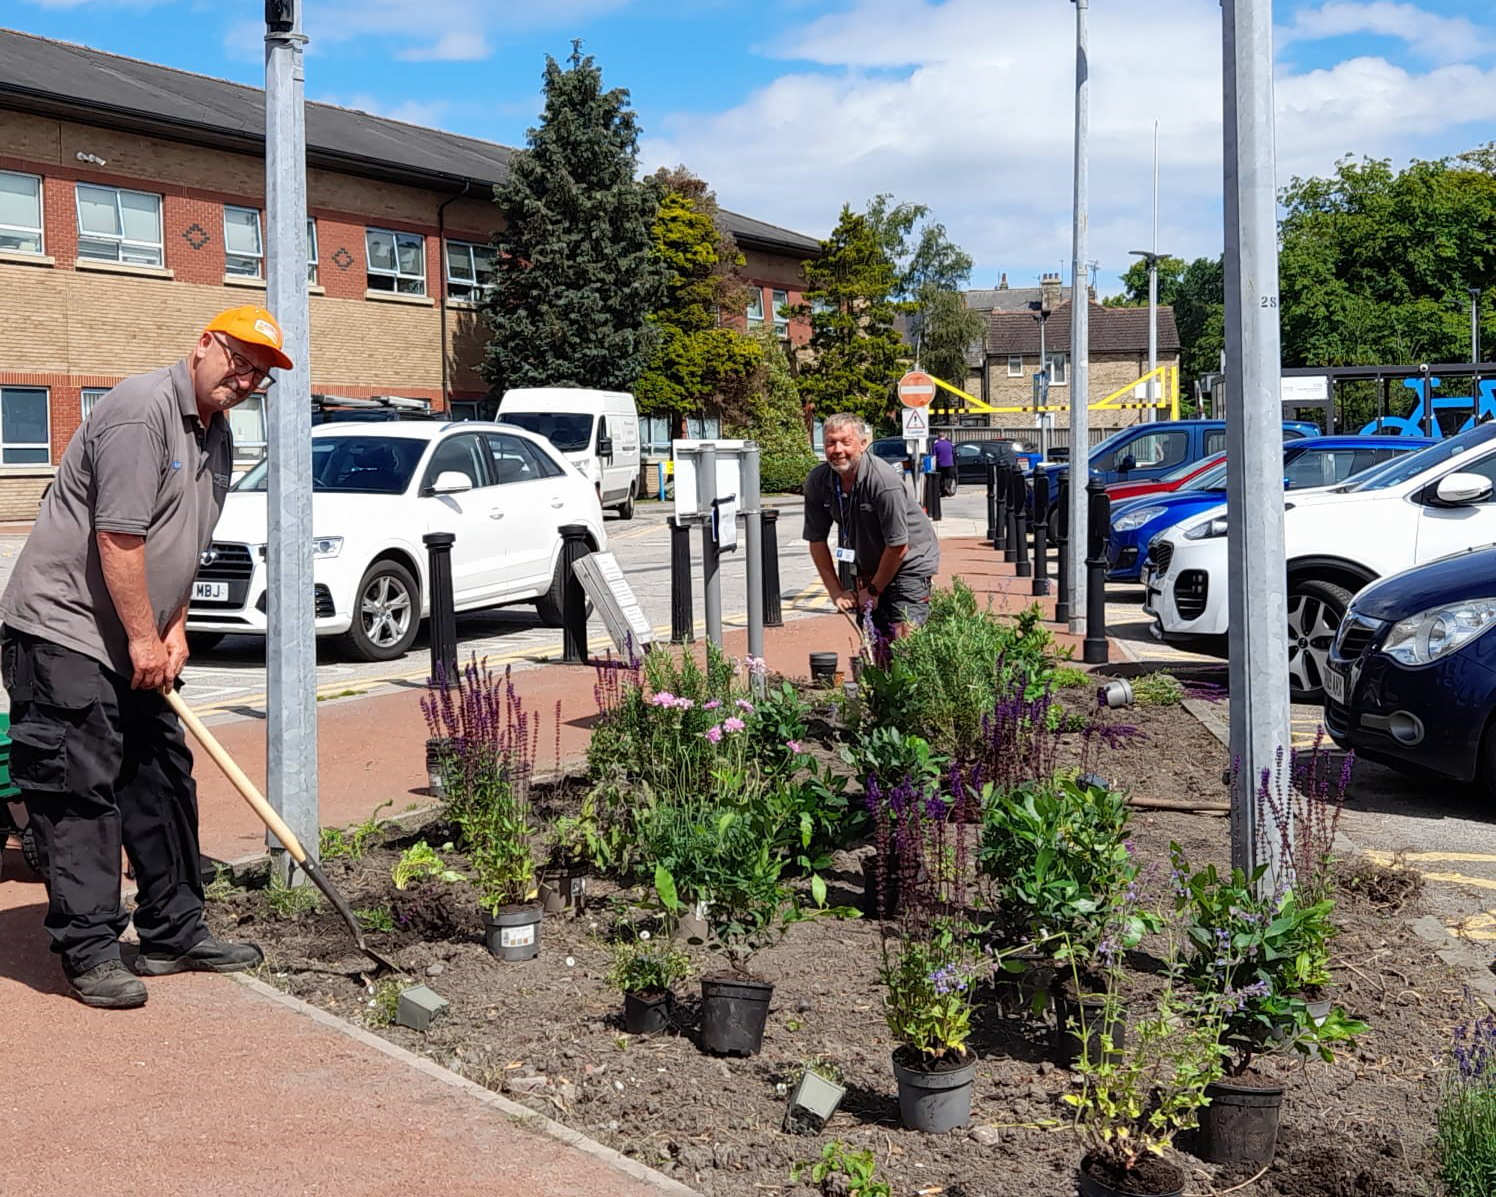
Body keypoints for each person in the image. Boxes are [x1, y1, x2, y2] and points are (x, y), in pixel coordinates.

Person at [0, 305, 293, 1009]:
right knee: (78, 787)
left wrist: (176, 628)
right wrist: (141, 635)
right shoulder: (142, 410)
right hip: (63, 631)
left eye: (260, 372)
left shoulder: (217, 437)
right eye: (239, 359)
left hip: (135, 634)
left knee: (161, 774)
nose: (247, 378)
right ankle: (91, 948)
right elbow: (120, 539)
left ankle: (173, 929)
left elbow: (180, 544)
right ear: (203, 345)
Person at [804, 413, 941, 640]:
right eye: (830, 442)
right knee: (873, 642)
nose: (837, 449)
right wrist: (836, 591)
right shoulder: (818, 481)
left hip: (909, 564)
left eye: (845, 442)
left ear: (863, 444)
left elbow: (898, 545)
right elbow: (816, 541)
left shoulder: (883, 481)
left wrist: (874, 590)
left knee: (905, 642)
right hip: (869, 567)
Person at [932, 432, 957, 496]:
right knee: (949, 477)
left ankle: (943, 491)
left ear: (938, 437)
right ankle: (947, 487)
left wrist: (933, 466)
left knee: (941, 478)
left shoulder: (936, 445)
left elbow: (934, 456)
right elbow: (953, 453)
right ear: (945, 436)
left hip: (940, 464)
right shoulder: (949, 444)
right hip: (949, 463)